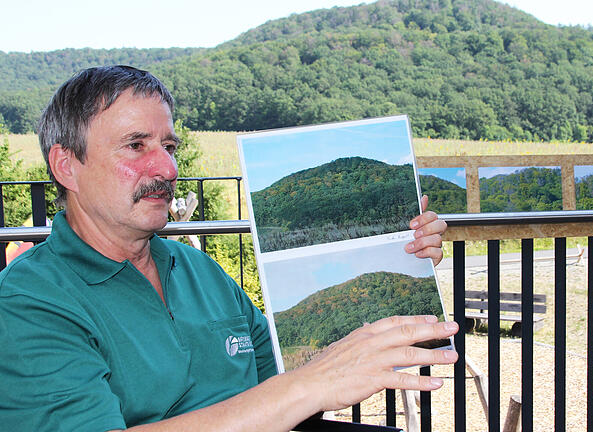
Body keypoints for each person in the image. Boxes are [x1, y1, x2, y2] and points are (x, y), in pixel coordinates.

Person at [0, 65, 458, 431]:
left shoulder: (198, 271)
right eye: (136, 146)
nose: (166, 166)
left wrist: (401, 257)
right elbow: (298, 390)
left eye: (168, 144)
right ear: (67, 165)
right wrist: (310, 385)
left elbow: (286, 389)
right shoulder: (27, 302)